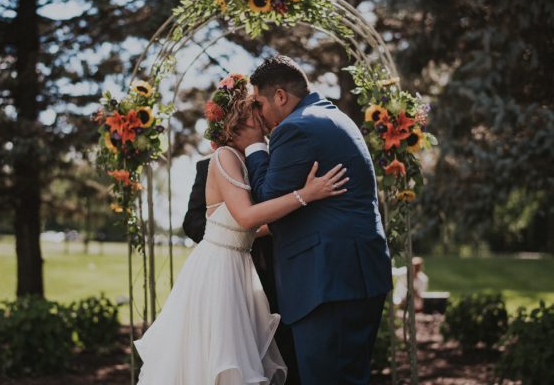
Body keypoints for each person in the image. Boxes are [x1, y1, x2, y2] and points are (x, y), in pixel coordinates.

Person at [134, 73, 348, 385]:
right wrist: (306, 195)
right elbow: (247, 218)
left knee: (239, 359)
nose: (262, 117)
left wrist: (280, 225)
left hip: (236, 265)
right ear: (239, 117)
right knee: (224, 362)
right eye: (254, 110)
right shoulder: (224, 156)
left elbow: (245, 226)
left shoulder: (241, 158)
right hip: (219, 272)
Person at [232, 55, 393, 384]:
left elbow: (265, 198)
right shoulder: (331, 117)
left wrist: (253, 146)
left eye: (259, 104)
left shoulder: (295, 128)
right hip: (355, 275)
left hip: (328, 280)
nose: (259, 116)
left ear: (280, 96)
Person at [183, 157, 301, 385]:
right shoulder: (209, 166)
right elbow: (192, 221)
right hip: (226, 276)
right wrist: (233, 233)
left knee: (278, 346)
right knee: (228, 350)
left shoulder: (273, 163)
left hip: (276, 276)